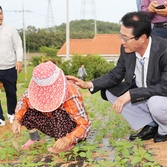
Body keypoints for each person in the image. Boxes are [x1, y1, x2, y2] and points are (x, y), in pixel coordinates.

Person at [67, 11, 167, 143]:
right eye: (121, 35)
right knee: (109, 91)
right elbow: (116, 74)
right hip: (145, 95)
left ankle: (164, 129)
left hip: (161, 97)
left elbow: (164, 87)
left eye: (125, 37)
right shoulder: (126, 49)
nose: (122, 41)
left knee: (156, 103)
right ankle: (150, 124)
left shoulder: (164, 50)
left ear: (142, 38)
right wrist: (88, 84)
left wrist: (132, 93)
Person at [12, 61, 91, 153]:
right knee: (26, 112)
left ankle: (64, 144)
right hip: (52, 124)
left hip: (70, 129)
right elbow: (22, 102)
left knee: (58, 112)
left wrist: (68, 139)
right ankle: (35, 139)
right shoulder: (32, 92)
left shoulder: (71, 93)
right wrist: (16, 120)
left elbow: (85, 125)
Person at [0, 6, 23, 126]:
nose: (0, 16)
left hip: (9, 67)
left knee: (11, 92)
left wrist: (19, 60)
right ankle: (0, 118)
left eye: (1, 13)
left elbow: (18, 45)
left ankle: (12, 114)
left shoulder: (10, 29)